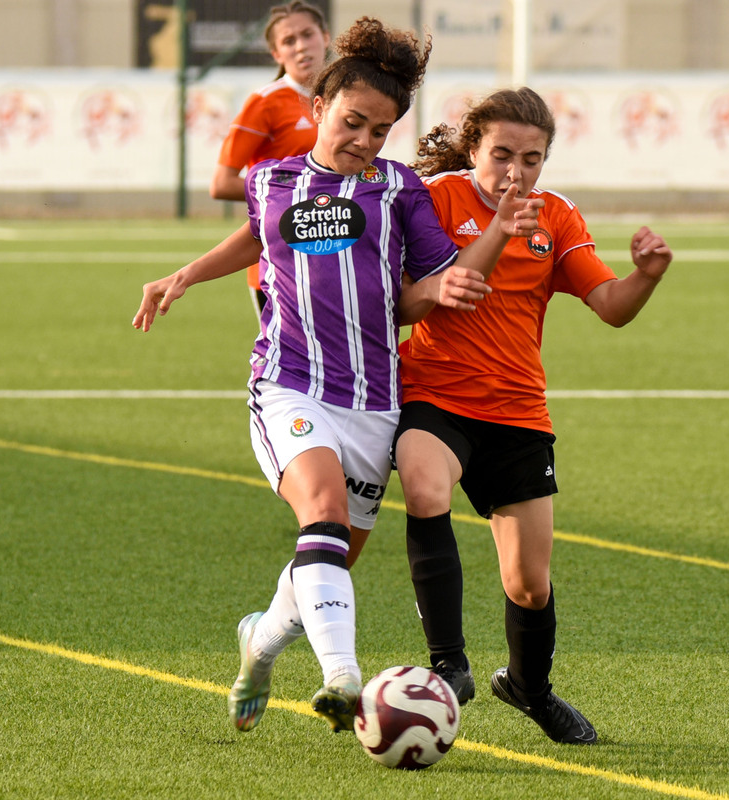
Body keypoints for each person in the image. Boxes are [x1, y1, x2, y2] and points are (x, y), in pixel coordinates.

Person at [132, 18, 542, 735]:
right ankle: (344, 679)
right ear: (319, 108)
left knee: (326, 560)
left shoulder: (400, 191)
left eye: (380, 131)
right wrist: (187, 274)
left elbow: (435, 284)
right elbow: (256, 233)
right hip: (289, 383)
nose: (363, 140)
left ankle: (259, 644)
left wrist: (476, 257)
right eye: (353, 122)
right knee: (318, 511)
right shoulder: (272, 179)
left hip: (375, 403)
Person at [395, 87, 673, 745]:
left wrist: (647, 277)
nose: (516, 172)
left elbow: (608, 304)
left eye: (533, 158)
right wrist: (498, 230)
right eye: (501, 155)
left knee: (528, 585)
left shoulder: (558, 217)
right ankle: (449, 665)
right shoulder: (435, 200)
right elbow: (417, 303)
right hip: (435, 395)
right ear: (473, 149)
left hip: (517, 409)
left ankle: (529, 688)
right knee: (425, 486)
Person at [210, 2, 330, 316]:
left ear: (326, 37)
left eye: (308, 34)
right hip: (278, 257)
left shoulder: (344, 99)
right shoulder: (265, 103)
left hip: (334, 247)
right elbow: (221, 184)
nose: (301, 46)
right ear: (277, 54)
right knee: (286, 361)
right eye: (289, 41)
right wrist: (295, 192)